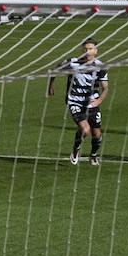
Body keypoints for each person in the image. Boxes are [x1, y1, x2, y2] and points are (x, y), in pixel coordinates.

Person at [48, 37, 108, 166]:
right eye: (85, 49)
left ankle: (93, 155)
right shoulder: (72, 63)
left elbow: (105, 88)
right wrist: (51, 86)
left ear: (96, 51)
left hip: (91, 102)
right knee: (85, 129)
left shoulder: (100, 66)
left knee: (97, 135)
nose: (87, 51)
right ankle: (76, 150)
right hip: (74, 101)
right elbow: (54, 70)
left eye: (90, 49)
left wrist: (99, 101)